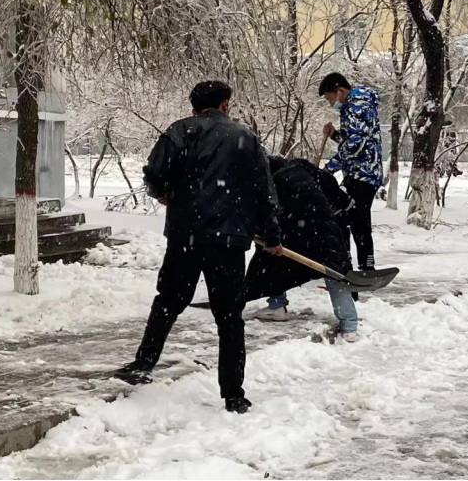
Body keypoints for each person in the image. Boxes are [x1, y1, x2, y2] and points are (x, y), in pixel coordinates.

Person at [116, 81, 283, 415]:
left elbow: (153, 172)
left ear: (194, 106)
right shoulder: (244, 137)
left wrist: (162, 192)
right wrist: (272, 235)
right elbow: (263, 190)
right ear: (224, 104)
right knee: (229, 315)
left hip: (186, 234)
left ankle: (144, 363)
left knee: (169, 299)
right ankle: (233, 394)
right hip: (229, 240)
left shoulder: (180, 131)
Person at [247, 157, 361, 342]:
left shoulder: (262, 183)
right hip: (322, 224)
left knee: (269, 260)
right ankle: (349, 326)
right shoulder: (297, 165)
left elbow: (261, 215)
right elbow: (327, 180)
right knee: (332, 269)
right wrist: (343, 201)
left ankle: (276, 305)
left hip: (293, 228)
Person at [319, 72, 383, 272]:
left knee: (356, 219)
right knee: (345, 216)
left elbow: (355, 145)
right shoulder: (350, 107)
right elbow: (352, 141)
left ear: (340, 90)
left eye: (330, 99)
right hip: (356, 173)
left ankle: (364, 267)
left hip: (365, 174)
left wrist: (328, 169)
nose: (331, 104)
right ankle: (348, 264)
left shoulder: (358, 105)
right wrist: (335, 135)